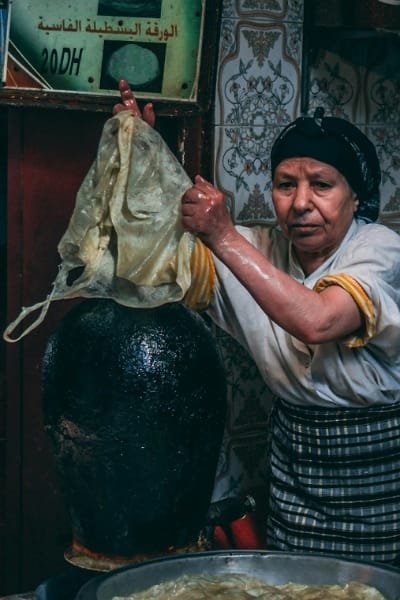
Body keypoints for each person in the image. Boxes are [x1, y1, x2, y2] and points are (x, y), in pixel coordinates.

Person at [114, 80, 400, 565]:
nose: (301, 203)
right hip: (297, 478)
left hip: (379, 481)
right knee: (301, 590)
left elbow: (319, 320)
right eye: (286, 184)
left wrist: (223, 235)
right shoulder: (260, 250)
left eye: (323, 185)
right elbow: (158, 249)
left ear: (356, 197)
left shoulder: (379, 251)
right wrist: (144, 157)